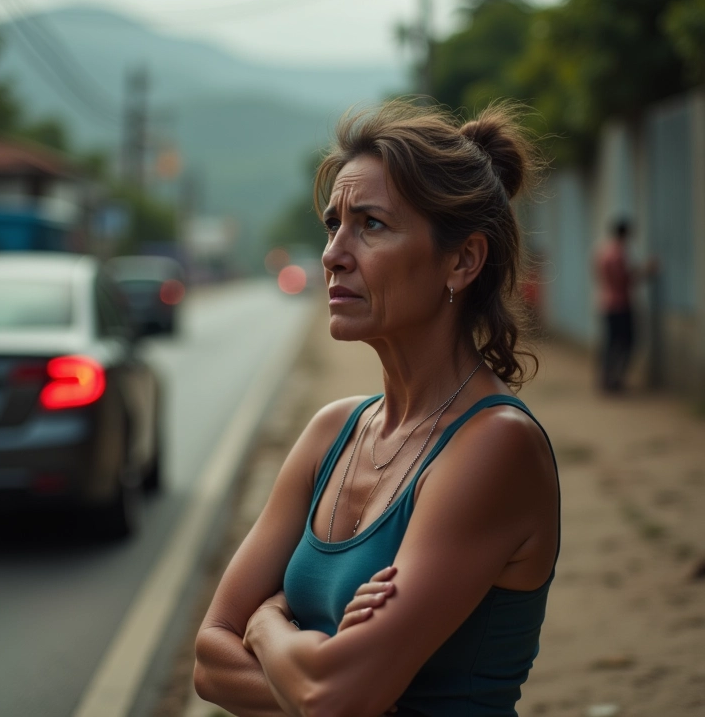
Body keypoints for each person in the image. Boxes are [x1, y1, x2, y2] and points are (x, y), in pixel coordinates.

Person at [194, 100, 560, 717]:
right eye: (333, 224)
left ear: (462, 261)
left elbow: (333, 695)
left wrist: (265, 624)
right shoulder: (332, 431)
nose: (333, 253)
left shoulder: (495, 445)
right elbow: (208, 659)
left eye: (371, 225)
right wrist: (314, 672)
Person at [594, 218, 657, 393]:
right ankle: (614, 380)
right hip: (620, 305)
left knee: (611, 343)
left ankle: (608, 379)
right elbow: (622, 280)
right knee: (626, 342)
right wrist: (646, 271)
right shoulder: (617, 254)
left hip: (606, 303)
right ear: (625, 234)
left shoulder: (604, 251)